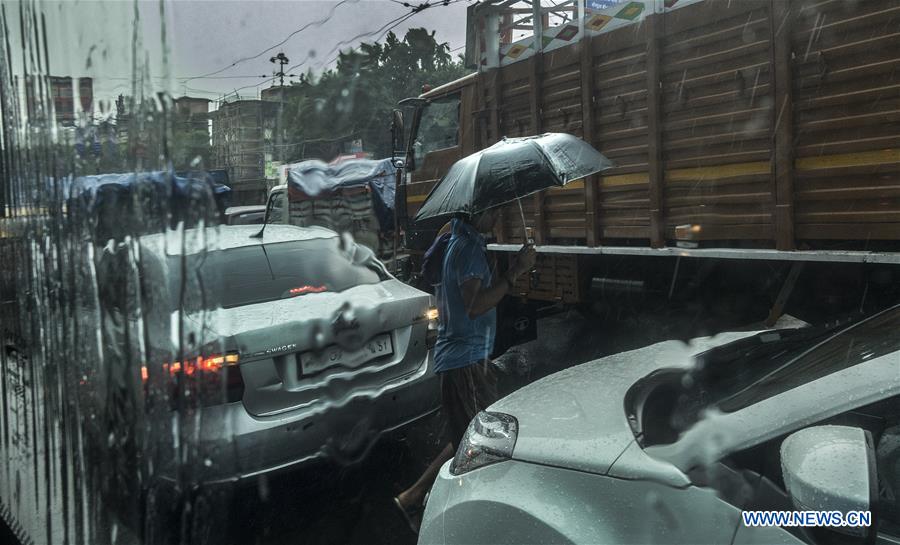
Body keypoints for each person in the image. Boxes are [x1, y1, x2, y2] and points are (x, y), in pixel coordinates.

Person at [393, 208, 536, 533]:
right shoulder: (467, 247)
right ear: (478, 211)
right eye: (493, 211)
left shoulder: (459, 239)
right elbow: (475, 305)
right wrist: (515, 272)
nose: (498, 217)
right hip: (465, 362)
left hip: (465, 358)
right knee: (485, 445)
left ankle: (413, 497)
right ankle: (466, 519)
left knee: (469, 437)